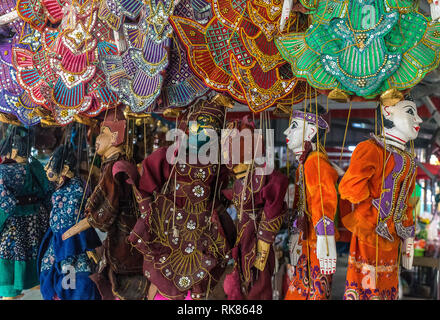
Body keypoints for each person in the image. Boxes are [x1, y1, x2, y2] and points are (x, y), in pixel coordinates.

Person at [128, 94, 236, 300]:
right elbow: (147, 186)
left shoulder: (218, 164)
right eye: (200, 128)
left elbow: (220, 190)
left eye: (212, 131)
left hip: (202, 229)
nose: (205, 135)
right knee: (162, 277)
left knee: (198, 281)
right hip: (171, 227)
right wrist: (149, 215)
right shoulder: (170, 156)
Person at [339, 91, 421, 300]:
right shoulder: (370, 149)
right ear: (387, 111)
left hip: (391, 239)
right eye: (411, 112)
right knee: (367, 290)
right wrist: (372, 209)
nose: (418, 119)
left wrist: (408, 236)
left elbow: (408, 201)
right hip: (369, 234)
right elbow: (349, 188)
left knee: (387, 289)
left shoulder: (408, 159)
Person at [62, 110, 149, 300]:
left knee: (124, 287)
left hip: (123, 238)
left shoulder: (114, 167)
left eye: (102, 133)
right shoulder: (119, 163)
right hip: (126, 236)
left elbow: (104, 209)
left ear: (115, 138)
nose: (97, 139)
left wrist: (71, 231)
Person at [222, 117, 289, 300]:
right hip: (242, 239)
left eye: (229, 145)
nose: (225, 152)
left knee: (258, 285)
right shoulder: (237, 180)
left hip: (257, 241)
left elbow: (277, 194)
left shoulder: (260, 177)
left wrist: (264, 239)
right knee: (242, 280)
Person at [283, 107, 339, 300]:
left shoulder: (315, 162)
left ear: (312, 132)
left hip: (317, 242)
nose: (286, 131)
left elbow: (324, 200)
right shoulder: (306, 163)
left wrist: (325, 237)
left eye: (294, 126)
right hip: (307, 241)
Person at [38, 143, 101, 300]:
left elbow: (73, 221)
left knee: (70, 279)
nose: (46, 169)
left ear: (64, 170)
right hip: (59, 239)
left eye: (50, 165)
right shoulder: (64, 186)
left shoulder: (75, 190)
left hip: (72, 243)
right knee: (54, 272)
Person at [0, 126, 51, 299]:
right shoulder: (36, 167)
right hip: (34, 227)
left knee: (7, 281)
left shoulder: (3, 172)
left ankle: (10, 295)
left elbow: (4, 204)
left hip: (12, 229)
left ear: (13, 149)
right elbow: (48, 195)